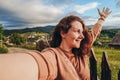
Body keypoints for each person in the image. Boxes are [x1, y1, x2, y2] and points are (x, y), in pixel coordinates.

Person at [0, 7, 111, 80]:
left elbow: (93, 33)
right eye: (77, 31)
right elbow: (40, 63)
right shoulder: (53, 55)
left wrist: (102, 18)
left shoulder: (80, 50)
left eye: (82, 32)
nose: (82, 36)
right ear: (63, 33)